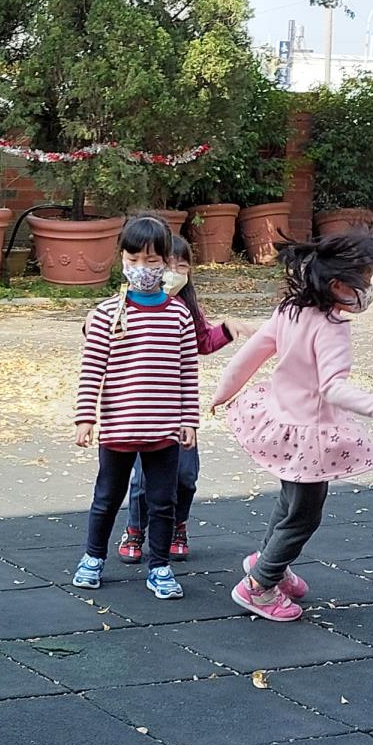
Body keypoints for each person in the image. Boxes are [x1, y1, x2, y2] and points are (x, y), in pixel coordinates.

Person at [210, 230, 373, 623]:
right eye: (365, 280)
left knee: (290, 503)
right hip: (309, 436)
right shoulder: (331, 328)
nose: (367, 290)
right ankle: (259, 584)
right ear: (337, 285)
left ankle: (269, 560)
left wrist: (222, 393)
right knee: (303, 516)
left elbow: (249, 355)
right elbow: (332, 388)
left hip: (281, 423)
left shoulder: (290, 310)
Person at [71, 216, 202, 600]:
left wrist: (189, 420)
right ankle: (93, 558)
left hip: (164, 430)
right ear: (122, 259)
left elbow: (187, 372)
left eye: (151, 260)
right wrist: (85, 417)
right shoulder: (106, 314)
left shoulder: (178, 315)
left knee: (163, 502)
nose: (142, 268)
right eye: (133, 259)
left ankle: (159, 566)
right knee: (107, 498)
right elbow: (92, 369)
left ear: (165, 262)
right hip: (119, 427)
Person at [118, 234, 235, 565]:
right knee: (143, 478)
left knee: (185, 475)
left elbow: (202, 342)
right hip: (142, 409)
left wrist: (227, 329)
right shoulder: (127, 304)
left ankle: (177, 525)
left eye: (181, 267)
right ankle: (135, 528)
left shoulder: (185, 309)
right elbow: (105, 336)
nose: (172, 273)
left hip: (176, 409)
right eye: (166, 264)